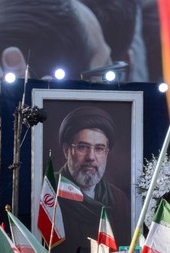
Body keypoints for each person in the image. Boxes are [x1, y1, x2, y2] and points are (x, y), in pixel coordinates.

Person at [55, 106, 128, 252]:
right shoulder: (49, 191)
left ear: (106, 153)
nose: (91, 157)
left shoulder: (118, 200)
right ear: (66, 150)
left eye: (99, 148)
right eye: (83, 147)